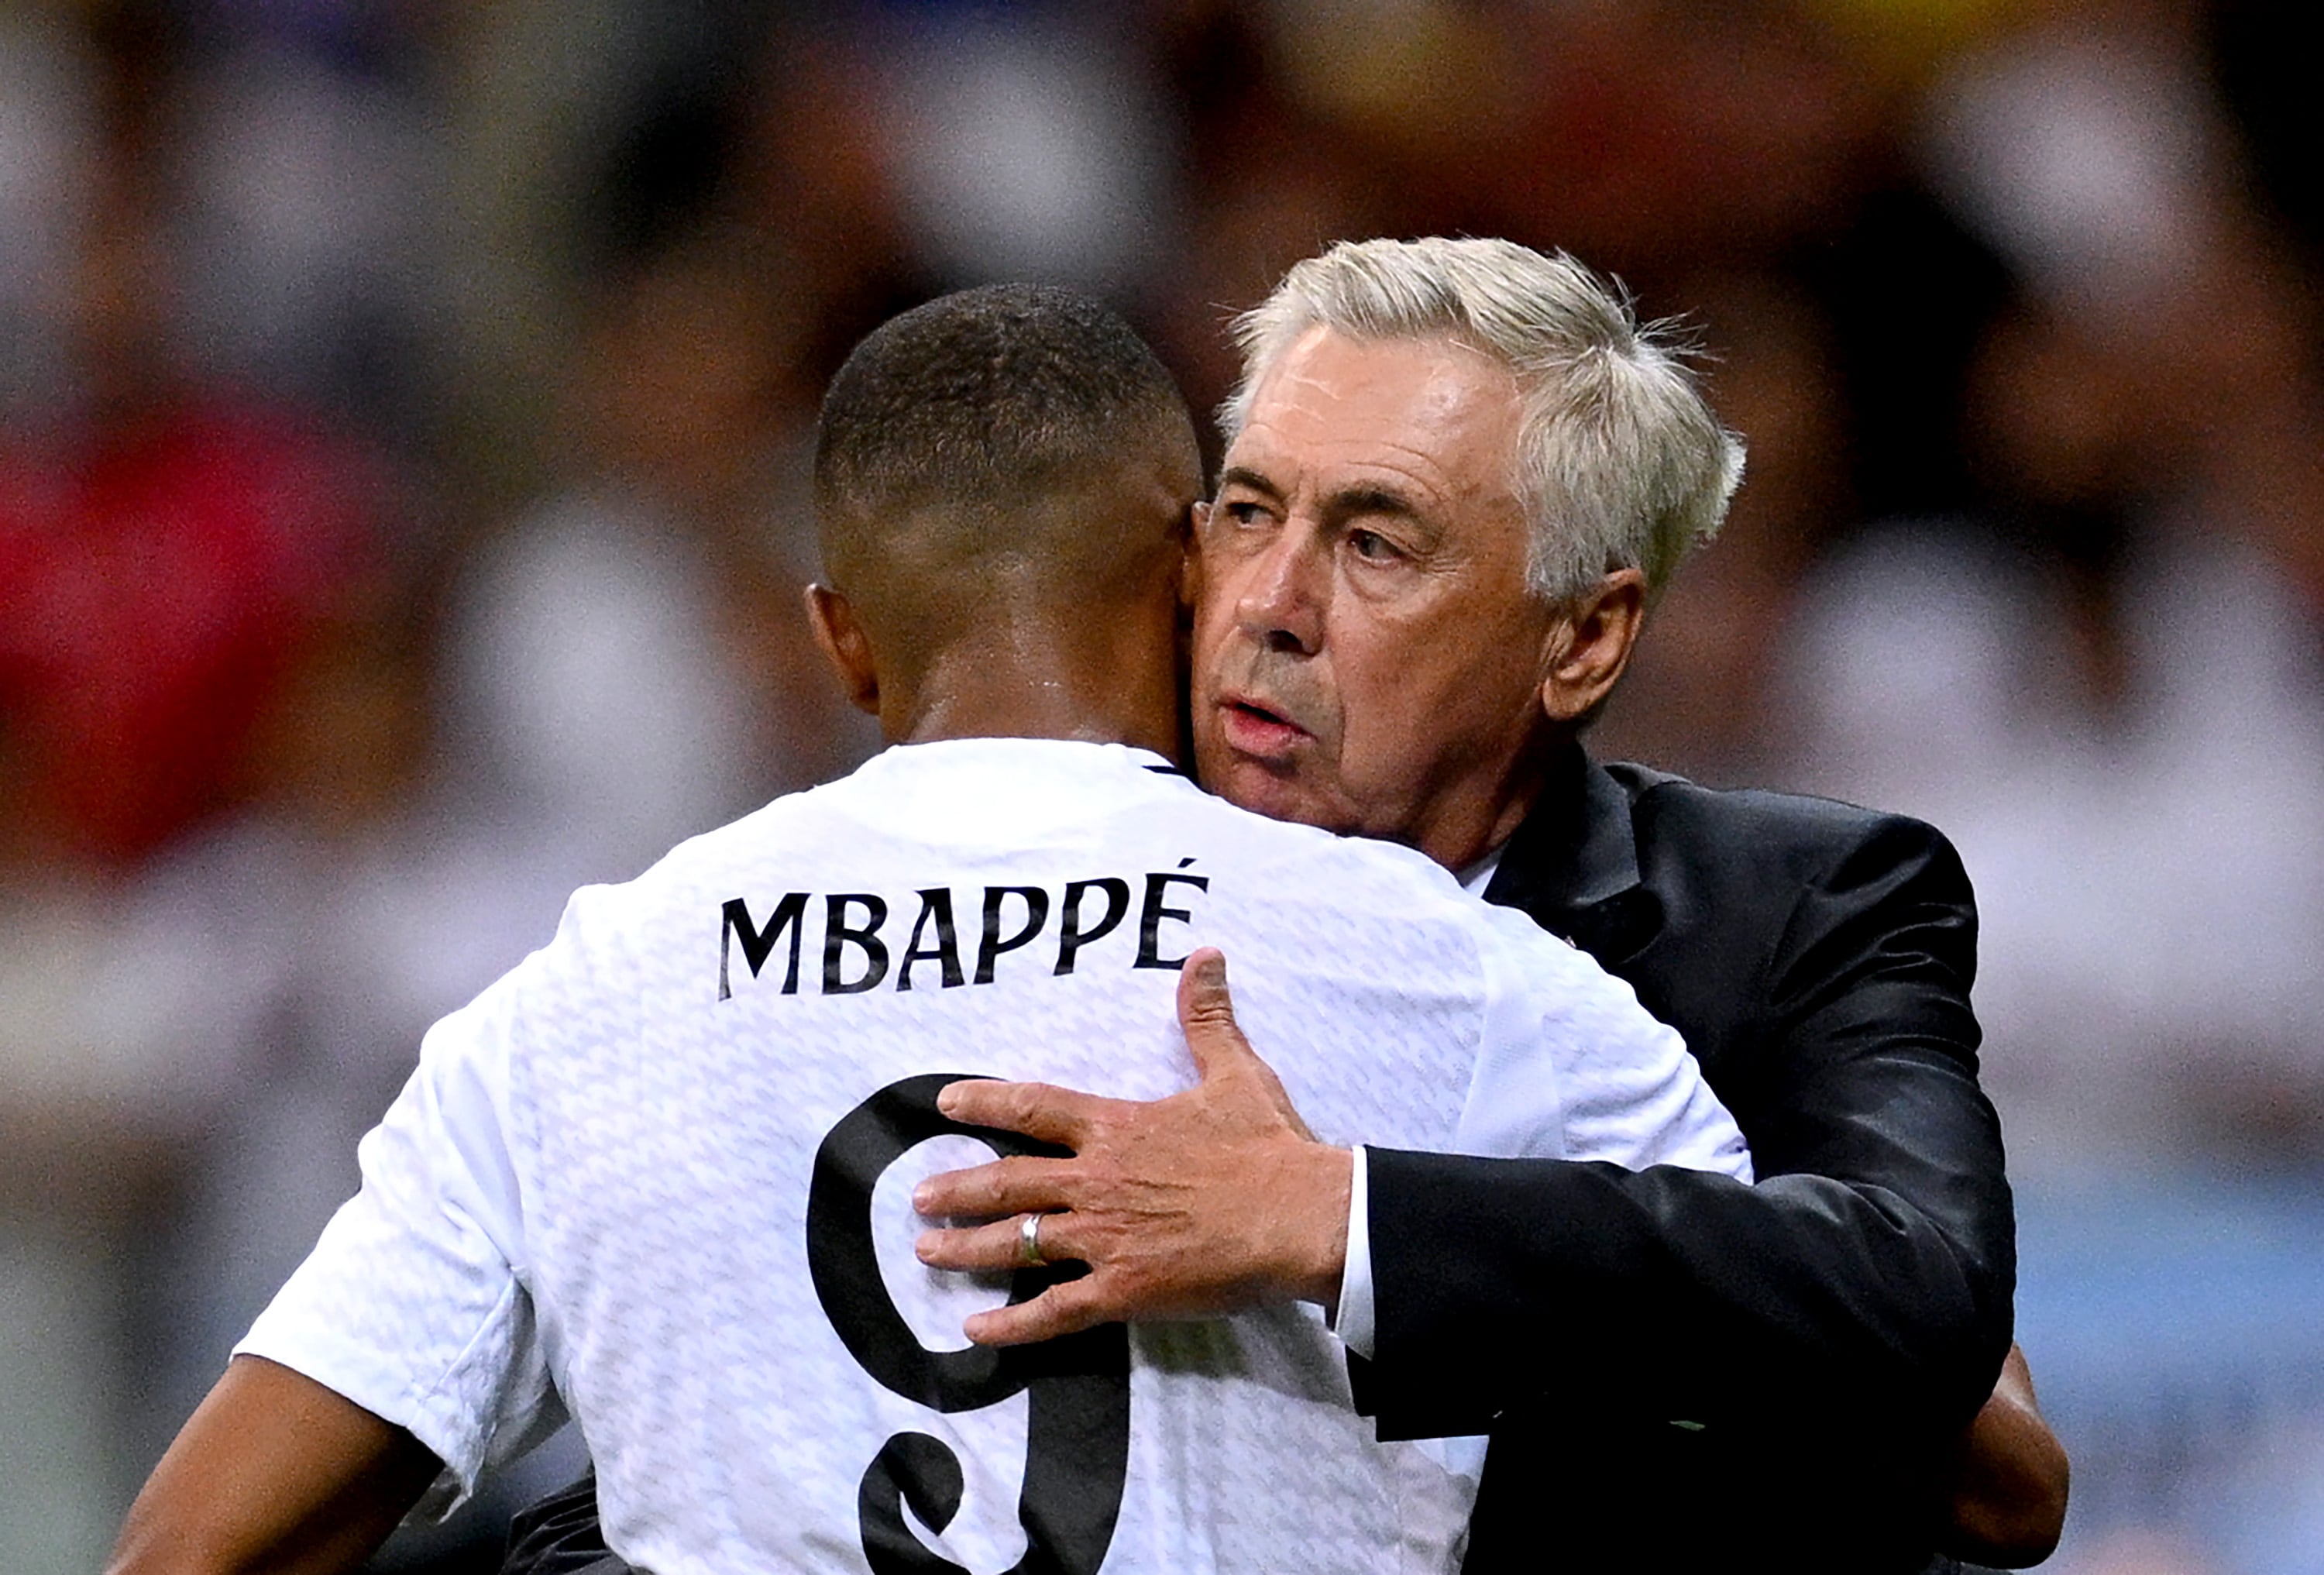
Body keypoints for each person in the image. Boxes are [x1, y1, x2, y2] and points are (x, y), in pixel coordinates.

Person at [105, 284, 1750, 1575]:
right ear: (1198, 570)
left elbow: (201, 1544)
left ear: (838, 637)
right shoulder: (1432, 960)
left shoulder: (583, 1000)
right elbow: (1924, 1405)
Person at [907, 239, 2067, 1571]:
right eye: (1247, 511)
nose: (1271, 606)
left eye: (1374, 541)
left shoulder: (1791, 912)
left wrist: (1336, 1221)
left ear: (1580, 639)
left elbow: (1987, 1438)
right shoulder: (1043, 886)